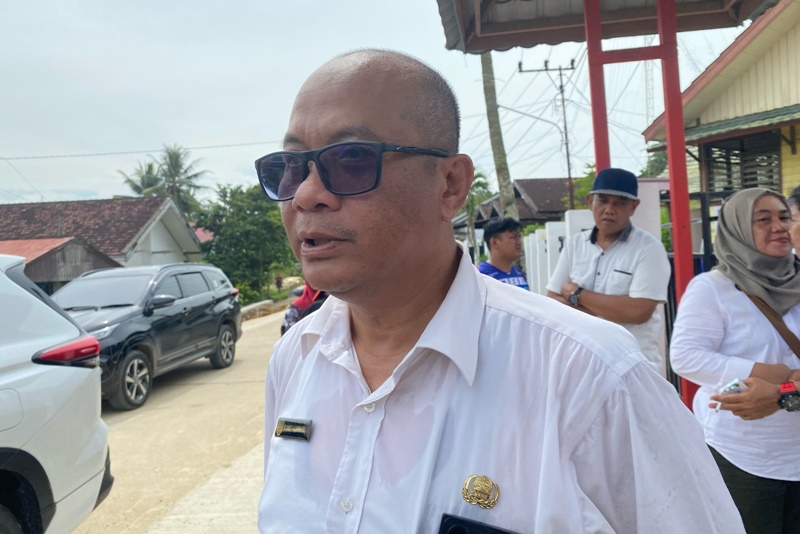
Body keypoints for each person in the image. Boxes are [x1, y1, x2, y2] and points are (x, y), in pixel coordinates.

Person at [256, 49, 744, 533]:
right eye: (290, 167)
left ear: (450, 185)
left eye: (352, 159)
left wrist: (576, 297)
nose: (306, 194)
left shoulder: (591, 380)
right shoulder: (296, 359)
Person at [670, 187, 800, 533]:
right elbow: (685, 356)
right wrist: (768, 373)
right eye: (763, 219)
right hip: (743, 453)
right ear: (738, 226)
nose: (779, 226)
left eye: (784, 217)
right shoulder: (714, 288)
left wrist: (784, 388)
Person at [545, 168, 671, 370]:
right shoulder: (575, 245)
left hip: (631, 366)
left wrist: (577, 294)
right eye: (603, 200)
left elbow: (639, 311)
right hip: (582, 363)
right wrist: (609, 309)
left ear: (633, 207)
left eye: (620, 203)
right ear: (590, 202)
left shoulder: (649, 249)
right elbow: (552, 300)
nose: (609, 210)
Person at [477, 216, 529, 290]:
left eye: (519, 237)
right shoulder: (480, 275)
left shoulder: (519, 273)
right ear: (494, 243)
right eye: (514, 237)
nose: (519, 242)